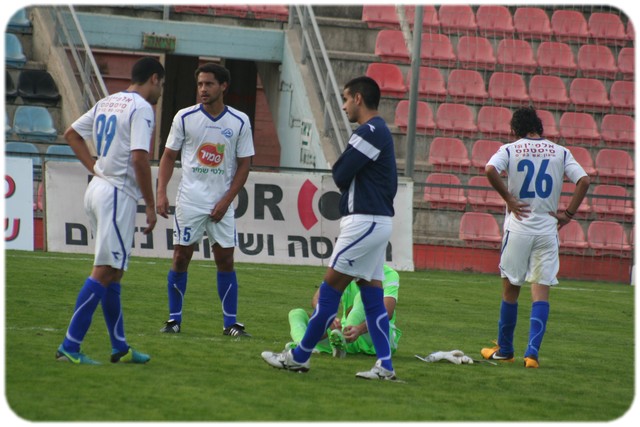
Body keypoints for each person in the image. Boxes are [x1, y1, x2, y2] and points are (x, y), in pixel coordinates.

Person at [261, 76, 399, 380]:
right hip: (375, 222)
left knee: (330, 289)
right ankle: (385, 366)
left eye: (346, 99)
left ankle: (299, 356)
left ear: (359, 98)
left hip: (364, 221)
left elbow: (340, 173)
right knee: (372, 295)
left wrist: (346, 172)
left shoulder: (369, 131)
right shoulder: (380, 131)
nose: (344, 106)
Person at [55, 56, 165, 364]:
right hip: (117, 194)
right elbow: (139, 158)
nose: (160, 91)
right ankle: (69, 346)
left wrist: (93, 167)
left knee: (114, 272)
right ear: (154, 79)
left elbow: (71, 134)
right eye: (162, 84)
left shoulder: (108, 102)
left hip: (99, 189)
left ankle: (120, 348)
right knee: (104, 270)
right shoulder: (142, 108)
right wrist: (150, 205)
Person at [481, 107, 590, 368]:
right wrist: (568, 214)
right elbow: (584, 181)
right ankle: (531, 354)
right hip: (547, 230)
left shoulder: (510, 149)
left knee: (511, 289)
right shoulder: (560, 152)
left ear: (515, 129)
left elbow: (490, 169)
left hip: (519, 228)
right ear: (539, 127)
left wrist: (509, 199)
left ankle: (505, 350)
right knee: (541, 292)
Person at [156, 62, 254, 337]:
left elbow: (245, 164)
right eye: (200, 84)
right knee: (180, 257)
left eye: (209, 84)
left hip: (222, 203)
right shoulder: (184, 117)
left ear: (223, 86)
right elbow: (168, 156)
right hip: (190, 201)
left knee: (225, 260)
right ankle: (174, 320)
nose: (203, 89)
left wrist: (227, 201)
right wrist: (161, 192)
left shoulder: (239, 121)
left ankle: (230, 324)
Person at [287, 265, 401, 358]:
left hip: (376, 336)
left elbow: (387, 312)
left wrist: (359, 329)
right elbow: (317, 299)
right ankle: (301, 346)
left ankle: (345, 335)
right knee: (296, 313)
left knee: (364, 295)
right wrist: (327, 318)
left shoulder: (389, 274)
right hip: (341, 336)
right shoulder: (342, 270)